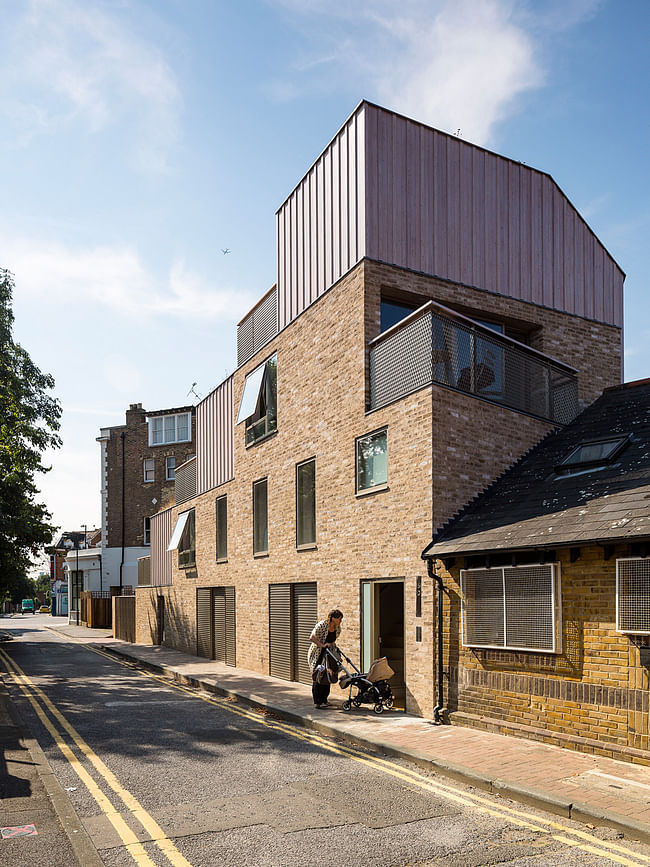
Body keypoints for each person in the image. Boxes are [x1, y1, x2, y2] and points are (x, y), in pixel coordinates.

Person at [308, 609, 343, 708]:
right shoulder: (322, 625)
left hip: (329, 655)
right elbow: (312, 637)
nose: (340, 621)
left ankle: (324, 699)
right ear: (333, 618)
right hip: (319, 655)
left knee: (328, 675)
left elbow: (332, 639)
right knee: (319, 675)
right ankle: (317, 702)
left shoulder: (337, 627)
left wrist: (332, 644)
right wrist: (322, 645)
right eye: (339, 619)